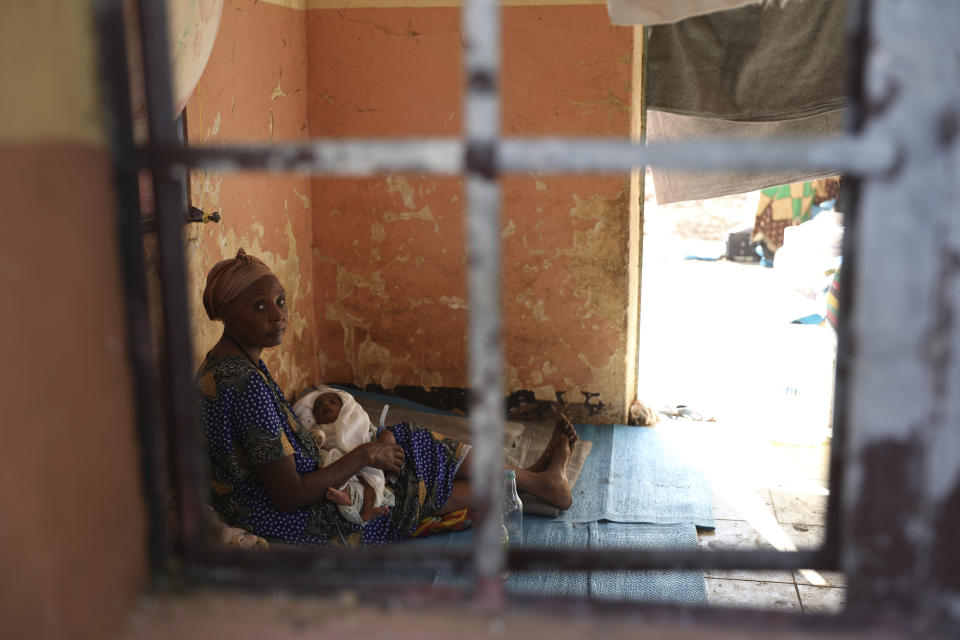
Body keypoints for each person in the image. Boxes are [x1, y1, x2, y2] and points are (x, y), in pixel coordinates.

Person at [196, 248, 577, 548]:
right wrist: (362, 456)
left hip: (263, 502)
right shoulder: (244, 385)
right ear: (228, 313)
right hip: (301, 523)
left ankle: (531, 479)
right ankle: (537, 484)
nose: (278, 315)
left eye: (280, 301)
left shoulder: (223, 365)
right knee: (410, 477)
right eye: (259, 307)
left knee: (406, 446)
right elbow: (288, 495)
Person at [292, 386, 395, 525]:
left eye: (332, 402)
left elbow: (373, 433)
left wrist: (385, 436)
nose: (326, 405)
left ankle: (369, 508)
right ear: (315, 417)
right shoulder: (319, 428)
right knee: (336, 472)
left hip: (368, 460)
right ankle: (347, 499)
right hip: (339, 461)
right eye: (319, 407)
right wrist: (318, 437)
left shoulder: (357, 420)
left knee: (375, 481)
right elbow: (313, 439)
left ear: (344, 405)